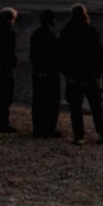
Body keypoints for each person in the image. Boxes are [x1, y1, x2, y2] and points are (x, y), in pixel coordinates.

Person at [59, 3, 103, 145]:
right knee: (96, 107)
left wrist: (66, 72)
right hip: (91, 77)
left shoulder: (66, 32)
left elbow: (61, 54)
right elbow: (99, 54)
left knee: (75, 108)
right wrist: (98, 72)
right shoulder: (91, 31)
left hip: (73, 77)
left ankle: (79, 136)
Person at [29, 9, 61, 138]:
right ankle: (49, 129)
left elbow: (33, 55)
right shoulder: (52, 36)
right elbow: (57, 56)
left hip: (37, 73)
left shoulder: (35, 34)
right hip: (51, 75)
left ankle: (38, 128)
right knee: (51, 102)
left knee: (38, 101)